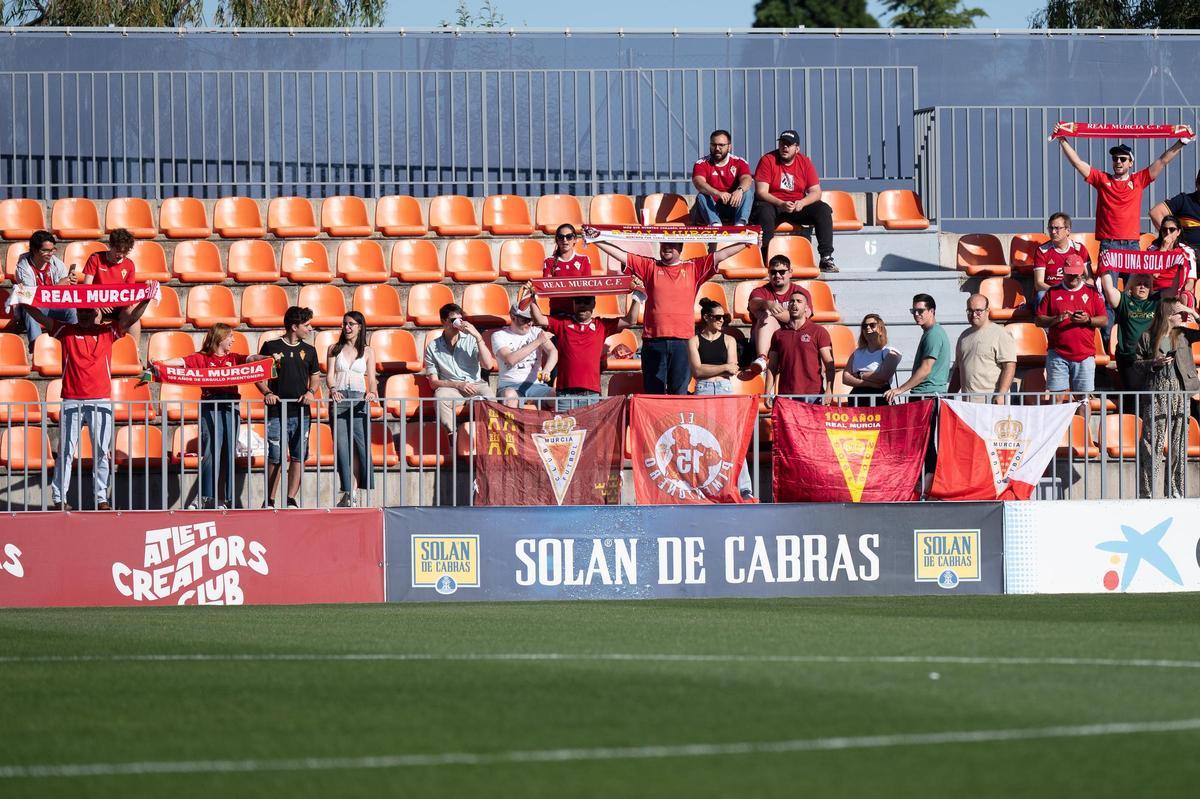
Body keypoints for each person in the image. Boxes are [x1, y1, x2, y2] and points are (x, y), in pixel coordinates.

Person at [22, 290, 154, 511]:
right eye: (81, 310)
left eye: (89, 310)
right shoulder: (65, 329)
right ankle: (58, 498)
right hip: (71, 400)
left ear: (98, 312)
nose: (84, 314)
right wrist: (23, 300)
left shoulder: (108, 331)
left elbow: (131, 319)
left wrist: (147, 298)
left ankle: (101, 498)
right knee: (65, 451)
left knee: (101, 452)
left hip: (101, 400)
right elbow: (40, 317)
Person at [594, 238, 750, 394]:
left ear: (680, 248)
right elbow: (621, 255)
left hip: (683, 343)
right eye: (664, 243)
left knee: (679, 394)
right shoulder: (650, 266)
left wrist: (746, 242)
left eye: (672, 244)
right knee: (654, 395)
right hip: (654, 341)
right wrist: (595, 240)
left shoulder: (694, 267)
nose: (667, 247)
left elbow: (721, 255)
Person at [155, 323, 272, 509]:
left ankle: (223, 498)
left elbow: (252, 359)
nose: (233, 340)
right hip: (210, 407)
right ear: (220, 338)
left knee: (228, 452)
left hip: (230, 407)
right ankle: (204, 496)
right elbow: (181, 361)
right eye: (230, 337)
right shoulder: (202, 358)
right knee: (211, 451)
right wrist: (159, 364)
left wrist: (268, 358)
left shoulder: (234, 358)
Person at [1056, 134, 1189, 257]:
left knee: (1133, 283)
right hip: (1109, 244)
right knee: (1108, 283)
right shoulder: (1102, 179)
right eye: (1115, 158)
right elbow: (1078, 163)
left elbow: (1162, 161)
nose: (1118, 161)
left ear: (1130, 163)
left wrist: (1181, 142)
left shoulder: (1139, 180)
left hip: (1132, 245)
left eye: (1123, 159)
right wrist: (1062, 139)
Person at [527, 288, 641, 410]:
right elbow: (539, 319)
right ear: (573, 304)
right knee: (565, 429)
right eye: (578, 301)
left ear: (594, 304)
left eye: (586, 301)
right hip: (565, 395)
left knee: (591, 429)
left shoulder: (601, 325)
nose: (582, 305)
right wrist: (531, 297)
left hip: (591, 395)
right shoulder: (562, 324)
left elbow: (631, 320)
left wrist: (638, 295)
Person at [1132, 298, 1200, 498]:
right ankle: (1148, 494)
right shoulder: (1147, 337)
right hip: (1156, 391)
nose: (1184, 316)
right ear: (1168, 314)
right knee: (1152, 444)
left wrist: (1193, 312)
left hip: (1180, 391)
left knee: (1178, 444)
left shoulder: (1185, 335)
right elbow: (1135, 364)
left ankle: (1175, 493)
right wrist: (1154, 362)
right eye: (1180, 313)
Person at [689, 297, 755, 500]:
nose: (722, 321)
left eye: (724, 317)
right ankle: (702, 485)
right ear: (706, 318)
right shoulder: (694, 340)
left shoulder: (729, 340)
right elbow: (697, 371)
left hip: (724, 389)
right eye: (718, 317)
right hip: (704, 389)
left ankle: (744, 487)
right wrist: (723, 367)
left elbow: (733, 368)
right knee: (703, 440)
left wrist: (720, 369)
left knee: (732, 439)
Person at [256, 305, 321, 509]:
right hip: (276, 412)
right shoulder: (270, 347)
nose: (310, 329)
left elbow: (316, 379)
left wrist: (311, 392)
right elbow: (258, 375)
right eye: (307, 325)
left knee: (298, 455)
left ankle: (291, 498)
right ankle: (269, 499)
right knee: (275, 456)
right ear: (294, 326)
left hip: (301, 412)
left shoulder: (310, 351)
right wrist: (267, 392)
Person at [750, 129, 837, 272]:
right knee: (764, 211)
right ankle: (766, 258)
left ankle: (826, 257)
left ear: (797, 148)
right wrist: (780, 204)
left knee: (823, 209)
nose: (785, 147)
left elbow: (816, 192)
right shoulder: (767, 160)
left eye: (789, 144)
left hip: (796, 205)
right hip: (774, 203)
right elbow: (761, 192)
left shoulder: (805, 162)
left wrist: (802, 203)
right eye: (782, 143)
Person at [326, 311, 379, 509]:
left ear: (359, 326)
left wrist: (372, 391)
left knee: (360, 446)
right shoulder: (334, 348)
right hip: (339, 399)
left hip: (358, 399)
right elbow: (330, 375)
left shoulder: (368, 351)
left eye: (351, 324)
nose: (347, 327)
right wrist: (332, 390)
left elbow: (372, 378)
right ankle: (348, 490)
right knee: (342, 447)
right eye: (345, 324)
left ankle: (354, 492)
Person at [1035, 256, 1107, 393]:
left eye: (1077, 273)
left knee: (1083, 400)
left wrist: (1088, 320)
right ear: (1063, 272)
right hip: (1057, 353)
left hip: (1085, 354)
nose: (1074, 276)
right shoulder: (1052, 292)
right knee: (1057, 398)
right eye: (1070, 273)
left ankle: (1084, 416)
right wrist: (1056, 319)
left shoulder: (1092, 292)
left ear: (1082, 273)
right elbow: (1038, 320)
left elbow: (1104, 320)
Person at [423, 303, 497, 433]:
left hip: (475, 385)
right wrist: (458, 384)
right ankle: (452, 438)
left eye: (460, 319)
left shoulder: (471, 339)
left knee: (489, 399)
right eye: (453, 320)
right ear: (443, 321)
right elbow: (433, 383)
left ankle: (490, 437)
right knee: (440, 396)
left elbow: (488, 365)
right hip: (452, 388)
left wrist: (478, 337)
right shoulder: (432, 347)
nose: (458, 323)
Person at [742, 254, 813, 375]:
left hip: (792, 340)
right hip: (764, 342)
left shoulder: (800, 293)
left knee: (767, 314)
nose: (777, 275)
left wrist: (771, 311)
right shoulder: (760, 291)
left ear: (790, 272)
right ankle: (762, 358)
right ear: (769, 273)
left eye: (782, 272)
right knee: (767, 316)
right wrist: (768, 304)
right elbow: (753, 304)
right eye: (773, 272)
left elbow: (804, 318)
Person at [765, 293, 834, 405]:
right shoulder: (778, 334)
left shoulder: (819, 331)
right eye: (792, 301)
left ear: (806, 307)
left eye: (799, 301)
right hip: (786, 396)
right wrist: (767, 392)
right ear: (787, 306)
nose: (794, 304)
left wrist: (829, 390)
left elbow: (829, 364)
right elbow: (772, 367)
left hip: (813, 395)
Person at [12, 229, 77, 348]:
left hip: (53, 304)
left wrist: (70, 283)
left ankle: (74, 344)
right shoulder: (23, 268)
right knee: (29, 311)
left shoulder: (56, 263)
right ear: (35, 250)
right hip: (34, 306)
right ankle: (37, 349)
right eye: (45, 250)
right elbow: (30, 296)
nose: (50, 254)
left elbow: (65, 291)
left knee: (71, 309)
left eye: (52, 250)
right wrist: (58, 286)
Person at [81, 228, 141, 355]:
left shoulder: (129, 264)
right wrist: (99, 302)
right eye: (118, 251)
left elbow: (129, 293)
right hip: (98, 302)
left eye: (124, 253)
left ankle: (135, 353)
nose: (120, 256)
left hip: (118, 305)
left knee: (134, 316)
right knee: (94, 314)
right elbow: (86, 287)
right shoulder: (95, 258)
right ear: (111, 246)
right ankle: (93, 353)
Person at [948, 294, 1017, 404]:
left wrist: (1001, 394)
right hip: (968, 402)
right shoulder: (964, 336)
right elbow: (958, 369)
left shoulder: (1000, 334)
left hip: (991, 401)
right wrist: (950, 395)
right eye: (970, 311)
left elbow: (1009, 366)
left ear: (987, 310)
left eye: (978, 310)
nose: (974, 315)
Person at [884, 294, 952, 402]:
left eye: (920, 311)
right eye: (913, 311)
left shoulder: (934, 334)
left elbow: (925, 369)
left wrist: (900, 389)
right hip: (927, 394)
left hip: (928, 396)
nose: (916, 314)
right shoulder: (931, 332)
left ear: (932, 311)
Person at [492, 303, 557, 408]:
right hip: (510, 385)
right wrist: (538, 341)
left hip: (536, 385)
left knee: (559, 396)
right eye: (525, 320)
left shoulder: (536, 332)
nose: (530, 323)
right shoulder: (499, 335)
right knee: (509, 397)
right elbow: (510, 359)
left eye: (531, 320)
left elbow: (553, 351)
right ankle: (511, 424)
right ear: (513, 317)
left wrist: (547, 370)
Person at [1102, 272, 1157, 390]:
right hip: (1128, 358)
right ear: (1131, 286)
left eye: (1146, 284)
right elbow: (1108, 288)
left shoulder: (1155, 302)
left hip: (1150, 357)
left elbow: (1173, 290)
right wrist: (1105, 268)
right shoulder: (1124, 300)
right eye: (1139, 284)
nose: (1142, 287)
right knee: (1132, 396)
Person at [691, 129, 754, 226]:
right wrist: (718, 193)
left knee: (747, 193)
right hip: (712, 208)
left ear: (729, 147)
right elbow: (699, 183)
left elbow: (747, 179)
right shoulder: (702, 163)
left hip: (733, 205)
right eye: (713, 145)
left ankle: (740, 225)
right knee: (702, 196)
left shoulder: (739, 162)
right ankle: (716, 225)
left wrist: (740, 190)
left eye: (721, 145)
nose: (717, 148)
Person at [841, 313, 901, 404]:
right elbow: (845, 378)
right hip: (858, 398)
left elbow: (883, 377)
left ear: (880, 330)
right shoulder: (857, 353)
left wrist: (859, 374)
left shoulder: (890, 352)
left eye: (872, 325)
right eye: (864, 326)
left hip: (879, 398)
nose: (868, 328)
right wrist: (870, 383)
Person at [1033, 213, 1092, 304]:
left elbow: (1090, 279)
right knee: (1041, 295)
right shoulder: (1042, 250)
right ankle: (1042, 318)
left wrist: (1077, 290)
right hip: (1052, 292)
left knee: (1099, 296)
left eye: (1057, 228)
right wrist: (1059, 291)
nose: (1053, 232)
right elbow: (1038, 284)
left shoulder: (1079, 249)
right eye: (1051, 228)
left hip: (1076, 291)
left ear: (1068, 230)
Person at [543, 223, 594, 317]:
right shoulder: (549, 261)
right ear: (557, 240)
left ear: (575, 240)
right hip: (557, 312)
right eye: (561, 237)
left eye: (569, 236)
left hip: (579, 312)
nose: (565, 240)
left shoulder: (584, 260)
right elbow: (547, 289)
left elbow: (587, 287)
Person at [1144, 215, 1197, 302]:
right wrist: (1163, 249)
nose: (1168, 233)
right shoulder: (1152, 250)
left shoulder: (1187, 251)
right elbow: (1154, 274)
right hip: (1157, 291)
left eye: (1172, 229)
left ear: (1178, 232)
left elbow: (1190, 281)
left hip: (1179, 292)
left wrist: (1182, 293)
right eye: (1164, 230)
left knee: (1186, 296)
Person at [1150, 168, 1200, 251]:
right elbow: (1155, 213)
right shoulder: (1184, 200)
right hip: (1187, 254)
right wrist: (1171, 238)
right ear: (1197, 183)